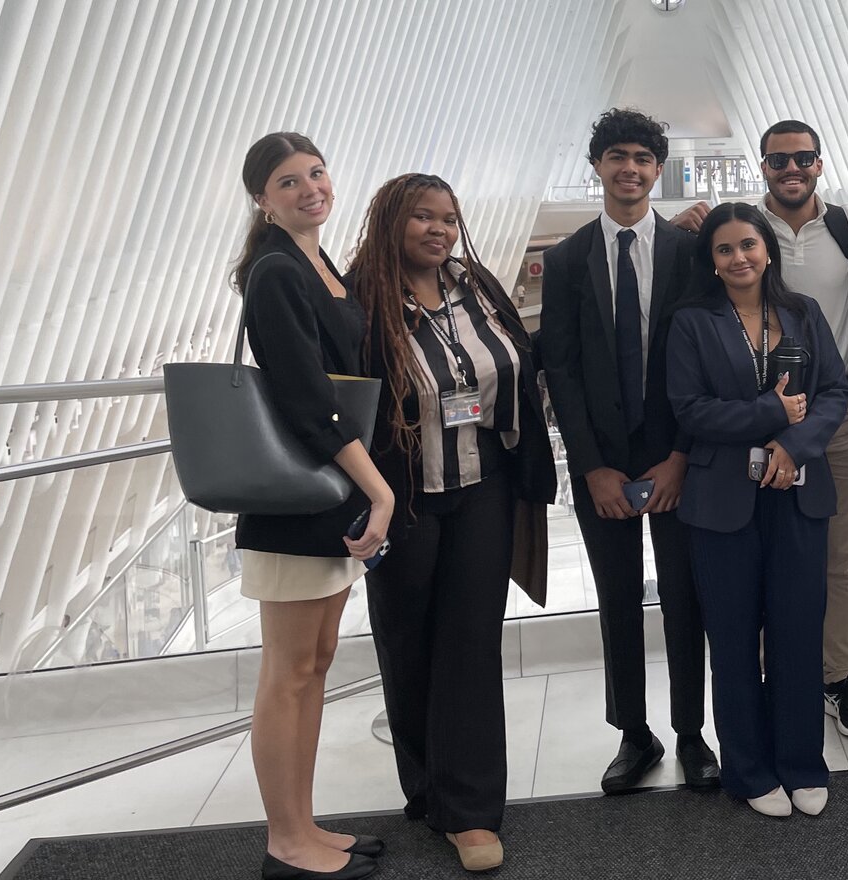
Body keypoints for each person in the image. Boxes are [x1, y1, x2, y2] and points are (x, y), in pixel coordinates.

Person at [350, 173, 557, 872]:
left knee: (470, 643)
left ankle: (469, 811)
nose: (439, 230)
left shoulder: (477, 285)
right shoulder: (362, 300)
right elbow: (338, 404)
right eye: (422, 218)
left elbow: (517, 366)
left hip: (483, 486)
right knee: (406, 641)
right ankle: (426, 789)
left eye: (448, 218)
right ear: (390, 223)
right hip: (402, 492)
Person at [540, 108, 718, 794]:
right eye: (617, 156)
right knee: (616, 596)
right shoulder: (565, 258)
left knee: (685, 596)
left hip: (676, 457)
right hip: (603, 464)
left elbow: (701, 359)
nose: (631, 169)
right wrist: (590, 467)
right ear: (598, 167)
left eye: (643, 158)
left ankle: (691, 733)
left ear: (656, 169)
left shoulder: (686, 251)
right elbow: (561, 366)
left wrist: (678, 456)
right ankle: (634, 735)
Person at [231, 132, 390, 880]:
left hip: (327, 495)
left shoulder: (318, 264)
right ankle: (285, 843)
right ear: (262, 199)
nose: (310, 189)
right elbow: (306, 399)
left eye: (317, 173)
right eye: (289, 182)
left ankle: (303, 825)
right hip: (295, 500)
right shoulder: (275, 272)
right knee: (289, 671)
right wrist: (380, 486)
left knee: (317, 663)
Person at [667, 202, 848, 817]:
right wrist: (771, 415)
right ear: (712, 262)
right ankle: (747, 770)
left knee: (799, 633)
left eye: (748, 244)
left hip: (796, 490)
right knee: (734, 638)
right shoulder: (691, 322)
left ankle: (802, 762)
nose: (739, 257)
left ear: (767, 250)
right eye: (725, 249)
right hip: (721, 501)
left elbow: (833, 392)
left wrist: (792, 445)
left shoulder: (803, 313)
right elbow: (690, 411)